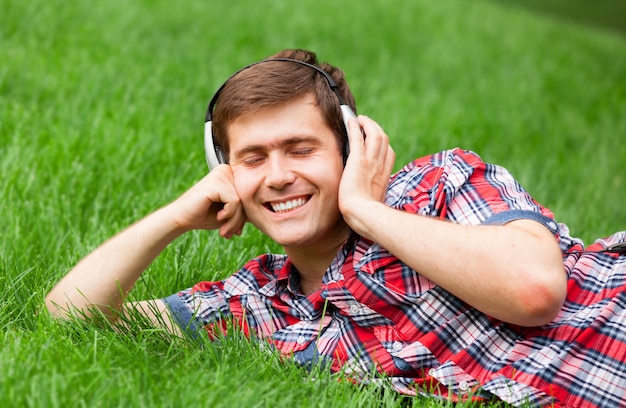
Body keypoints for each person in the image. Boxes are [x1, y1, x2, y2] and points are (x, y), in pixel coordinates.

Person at [45, 49, 626, 407]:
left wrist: (366, 212)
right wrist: (174, 217)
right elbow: (67, 314)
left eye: (300, 149)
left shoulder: (437, 186)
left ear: (350, 149)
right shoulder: (259, 306)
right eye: (252, 158)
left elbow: (533, 290)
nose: (276, 177)